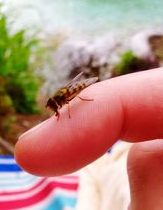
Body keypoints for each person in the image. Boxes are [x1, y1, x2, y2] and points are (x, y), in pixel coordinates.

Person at [15, 68, 163, 210]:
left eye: (53, 105)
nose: (53, 108)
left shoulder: (63, 99)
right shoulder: (60, 99)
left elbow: (69, 100)